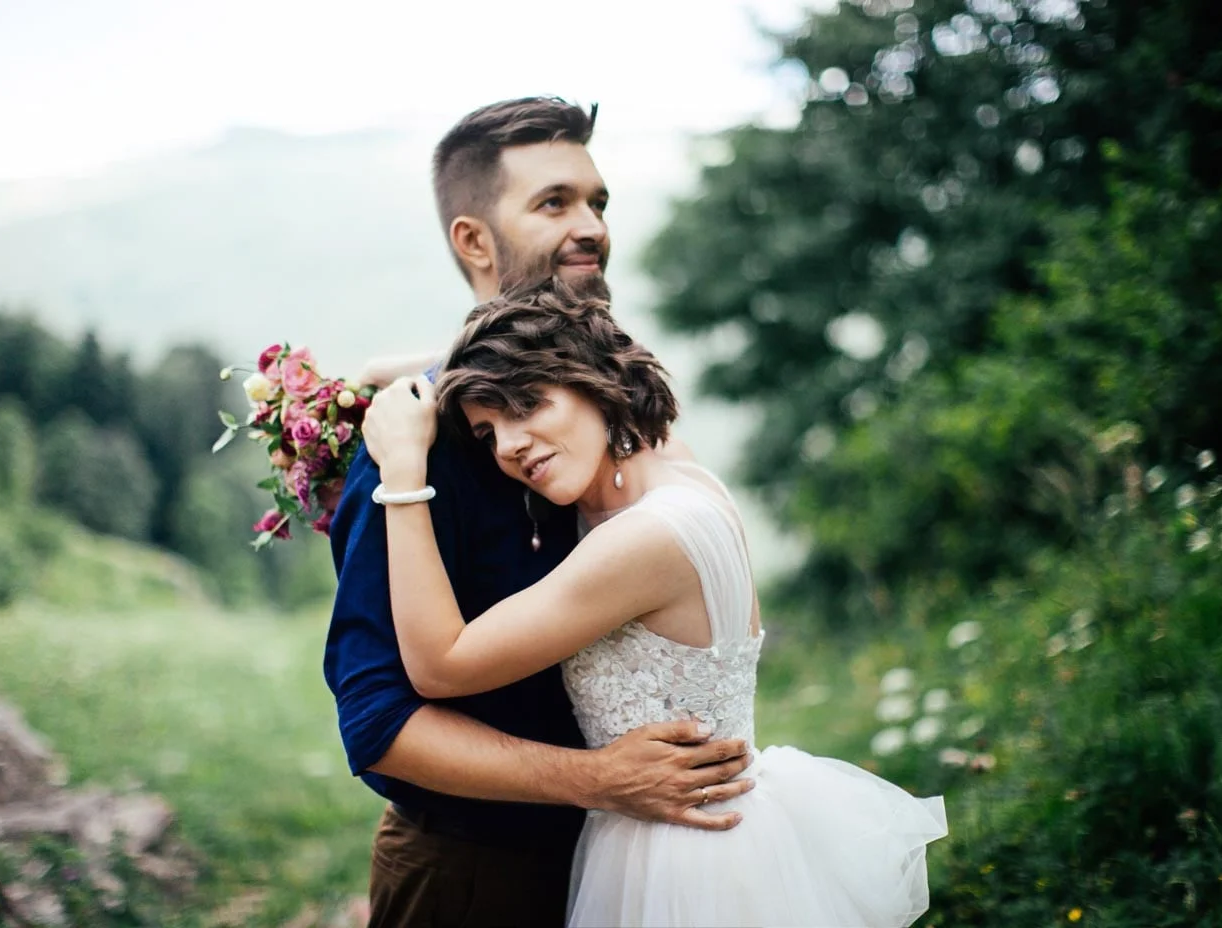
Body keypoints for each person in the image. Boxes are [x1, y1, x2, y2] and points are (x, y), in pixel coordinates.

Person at [359, 280, 950, 927]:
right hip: (706, 831)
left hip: (684, 861)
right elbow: (404, 372)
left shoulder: (645, 540)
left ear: (591, 378)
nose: (509, 446)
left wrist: (403, 475)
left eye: (526, 402)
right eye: (486, 430)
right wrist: (379, 380)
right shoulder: (670, 465)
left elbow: (440, 665)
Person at [324, 97, 753, 928]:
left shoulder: (612, 427)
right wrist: (597, 781)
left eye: (597, 202)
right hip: (477, 874)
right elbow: (379, 718)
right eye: (554, 203)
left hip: (639, 853)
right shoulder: (420, 444)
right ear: (475, 241)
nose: (590, 225)